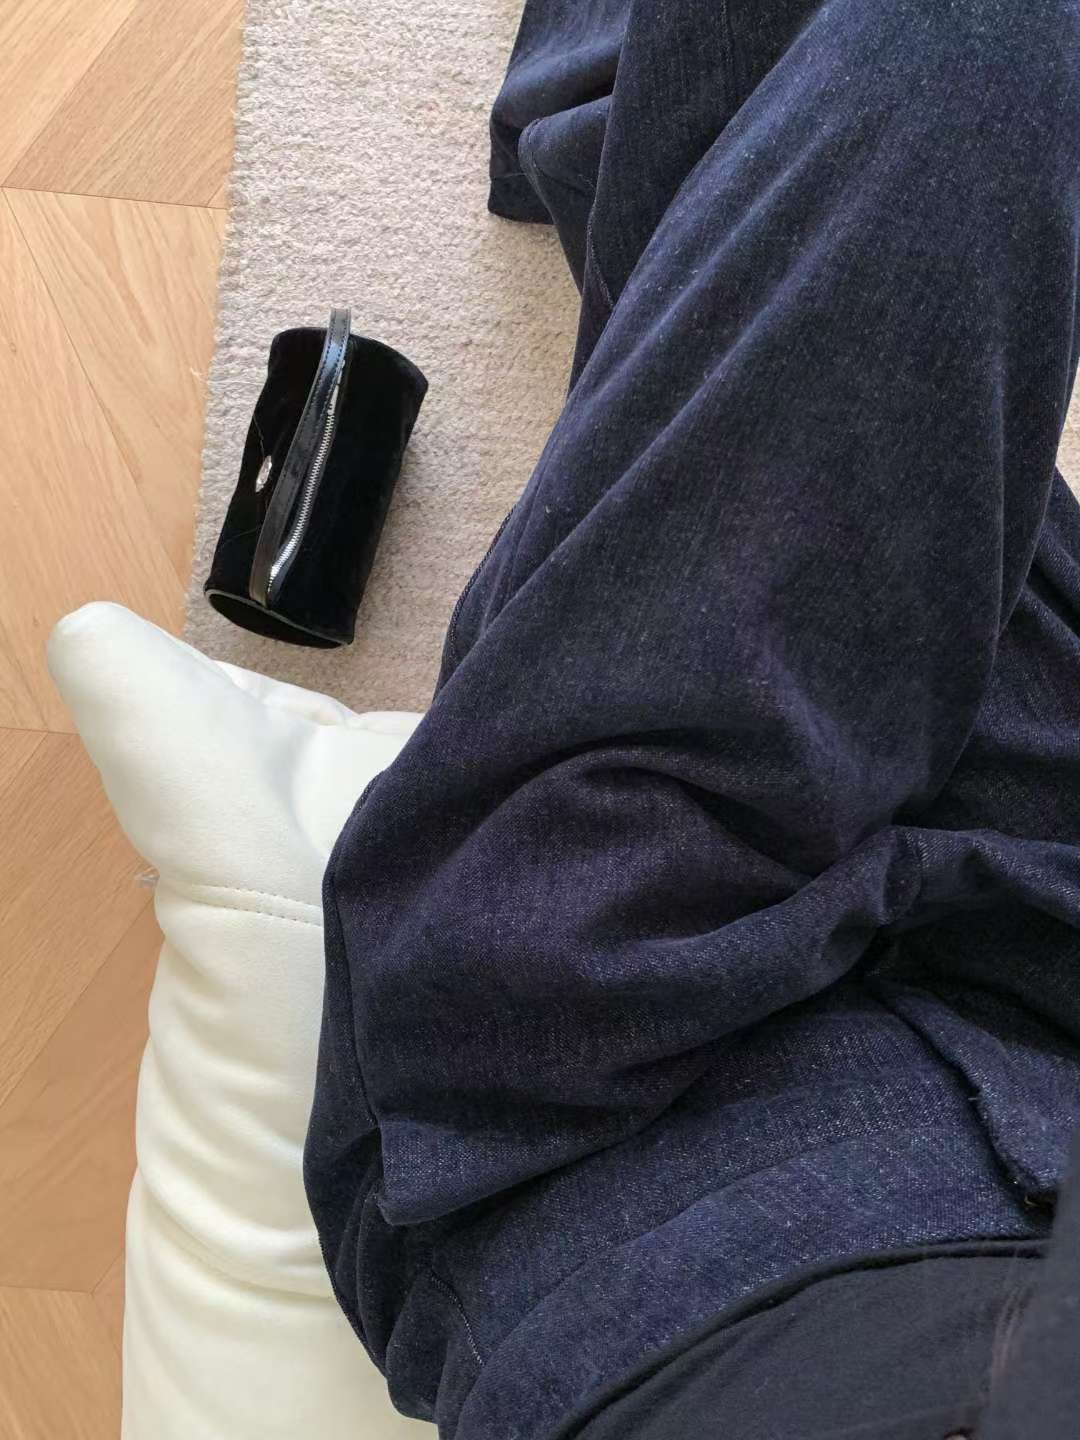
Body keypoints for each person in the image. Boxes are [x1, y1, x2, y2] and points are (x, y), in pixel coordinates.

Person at [304, 2, 1080, 1436]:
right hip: (1041, 980)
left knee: (972, 53)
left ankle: (594, 121)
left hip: (590, 1107)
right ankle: (586, 116)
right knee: (834, 376)